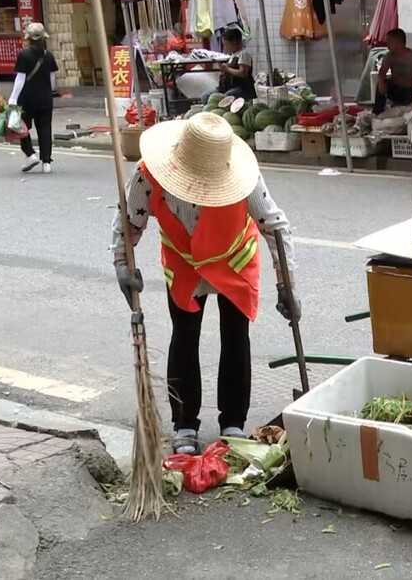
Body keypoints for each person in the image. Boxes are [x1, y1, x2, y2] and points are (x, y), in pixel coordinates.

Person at [111, 113, 299, 455]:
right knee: (183, 338)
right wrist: (121, 263)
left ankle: (233, 422)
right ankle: (184, 424)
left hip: (233, 260)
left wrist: (287, 285)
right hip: (184, 263)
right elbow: (128, 221)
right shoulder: (148, 174)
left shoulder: (244, 178)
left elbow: (275, 225)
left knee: (235, 337)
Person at [7, 23, 59, 174]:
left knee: (21, 127)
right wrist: (49, 93)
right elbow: (52, 78)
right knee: (45, 129)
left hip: (27, 98)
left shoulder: (24, 55)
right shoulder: (48, 56)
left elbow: (20, 79)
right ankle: (46, 162)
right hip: (45, 98)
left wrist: (13, 98)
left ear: (29, 39)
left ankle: (30, 154)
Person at [373, 28, 412, 115]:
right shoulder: (389, 56)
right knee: (381, 84)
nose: (387, 44)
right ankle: (377, 112)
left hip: (410, 90)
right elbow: (382, 73)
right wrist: (381, 83)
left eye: (389, 41)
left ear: (398, 42)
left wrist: (402, 81)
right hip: (396, 88)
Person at [202, 27, 255, 104]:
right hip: (227, 88)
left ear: (235, 42)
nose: (225, 47)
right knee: (206, 96)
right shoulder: (232, 55)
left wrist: (227, 69)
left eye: (227, 44)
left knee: (226, 98)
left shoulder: (243, 54)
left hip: (241, 89)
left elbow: (243, 73)